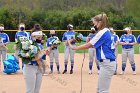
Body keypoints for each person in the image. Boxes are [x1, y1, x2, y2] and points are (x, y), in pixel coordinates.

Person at [68, 13, 116, 93]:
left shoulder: (102, 33)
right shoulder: (106, 31)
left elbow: (89, 45)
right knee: (99, 90)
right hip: (107, 63)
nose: (94, 25)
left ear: (100, 22)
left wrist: (74, 47)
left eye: (95, 23)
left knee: (103, 90)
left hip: (107, 63)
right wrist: (83, 38)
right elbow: (93, 40)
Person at [23, 25, 46, 93]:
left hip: (39, 68)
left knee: (36, 91)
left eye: (41, 35)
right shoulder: (28, 44)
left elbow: (42, 59)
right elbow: (33, 58)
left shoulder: (40, 45)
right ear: (34, 35)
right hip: (30, 68)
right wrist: (41, 53)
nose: (41, 37)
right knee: (30, 91)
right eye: (39, 35)